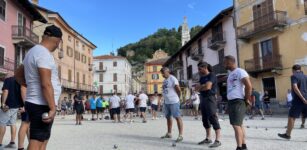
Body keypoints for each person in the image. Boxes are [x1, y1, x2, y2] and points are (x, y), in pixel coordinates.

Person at [23, 25, 62, 150]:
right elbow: (46, 84)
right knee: (37, 141)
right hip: (41, 104)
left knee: (43, 139)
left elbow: (18, 75)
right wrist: (52, 107)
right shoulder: (43, 54)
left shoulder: (32, 51)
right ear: (57, 41)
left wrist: (31, 84)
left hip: (36, 101)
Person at [224, 55, 252, 150]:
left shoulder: (240, 71)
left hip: (238, 101)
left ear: (230, 62)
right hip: (232, 102)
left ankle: (239, 147)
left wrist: (247, 99)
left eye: (225, 62)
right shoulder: (231, 74)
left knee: (236, 125)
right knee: (239, 124)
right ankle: (243, 146)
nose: (224, 64)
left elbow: (249, 86)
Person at [196, 62, 221, 148]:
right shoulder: (202, 77)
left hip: (210, 98)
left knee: (213, 117)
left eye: (200, 69)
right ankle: (208, 138)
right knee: (205, 119)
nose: (198, 71)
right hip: (203, 98)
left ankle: (218, 140)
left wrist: (201, 87)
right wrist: (203, 86)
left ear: (205, 67)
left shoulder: (212, 75)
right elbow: (197, 88)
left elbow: (208, 87)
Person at [278, 65, 307, 139]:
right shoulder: (305, 76)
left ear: (293, 70)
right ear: (300, 69)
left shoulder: (294, 76)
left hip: (298, 100)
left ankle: (288, 134)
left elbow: (295, 87)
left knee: (292, 117)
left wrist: (303, 98)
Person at [0, 76, 24, 150]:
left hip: (8, 106)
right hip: (16, 106)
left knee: (2, 123)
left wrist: (3, 103)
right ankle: (12, 142)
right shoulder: (21, 81)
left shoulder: (8, 79)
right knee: (13, 123)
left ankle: (0, 144)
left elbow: (5, 91)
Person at [160, 67, 183, 143]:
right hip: (167, 102)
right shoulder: (165, 80)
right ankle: (169, 133)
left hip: (174, 101)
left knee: (177, 117)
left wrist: (178, 98)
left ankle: (180, 135)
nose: (162, 74)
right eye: (161, 73)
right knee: (168, 117)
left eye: (163, 72)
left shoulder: (173, 78)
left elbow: (178, 89)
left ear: (168, 71)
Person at [15, 65, 29, 150]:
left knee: (28, 125)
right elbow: (23, 89)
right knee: (25, 124)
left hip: (26, 104)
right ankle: (20, 147)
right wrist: (26, 105)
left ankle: (30, 144)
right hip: (26, 104)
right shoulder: (24, 79)